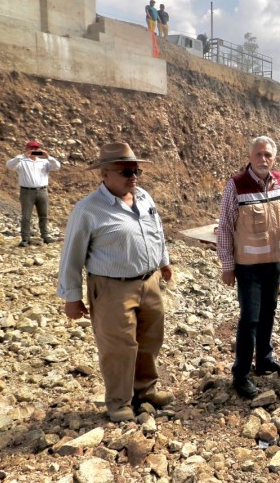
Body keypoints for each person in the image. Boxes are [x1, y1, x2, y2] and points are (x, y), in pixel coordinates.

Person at [57, 143, 173, 422]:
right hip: (112, 287)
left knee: (149, 339)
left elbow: (156, 231)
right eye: (125, 171)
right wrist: (72, 297)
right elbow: (71, 255)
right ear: (105, 174)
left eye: (136, 170)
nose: (133, 176)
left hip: (149, 281)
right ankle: (119, 402)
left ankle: (145, 391)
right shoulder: (88, 210)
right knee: (119, 346)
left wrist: (164, 261)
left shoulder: (144, 197)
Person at [217, 136, 280, 399]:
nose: (263, 159)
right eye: (259, 155)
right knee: (250, 318)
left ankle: (264, 360)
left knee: (269, 312)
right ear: (250, 156)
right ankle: (240, 374)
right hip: (248, 266)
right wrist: (227, 265)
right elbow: (225, 227)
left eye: (268, 155)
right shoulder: (236, 185)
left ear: (274, 158)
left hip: (272, 262)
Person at [6, 140, 61, 247]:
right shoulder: (22, 161)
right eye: (31, 148)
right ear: (26, 149)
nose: (33, 151)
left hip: (42, 191)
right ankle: (25, 238)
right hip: (27, 192)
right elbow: (9, 165)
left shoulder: (44, 162)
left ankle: (45, 236)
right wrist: (22, 156)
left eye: (36, 149)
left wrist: (48, 157)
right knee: (26, 216)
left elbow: (57, 166)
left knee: (44, 215)